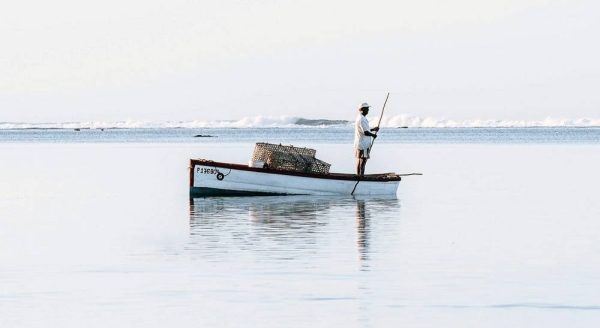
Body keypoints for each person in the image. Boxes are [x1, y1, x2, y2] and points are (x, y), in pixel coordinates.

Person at [354, 102, 379, 176]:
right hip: (363, 144)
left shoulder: (361, 118)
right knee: (362, 160)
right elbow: (365, 132)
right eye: (367, 109)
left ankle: (359, 175)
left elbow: (365, 130)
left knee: (360, 159)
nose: (368, 110)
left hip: (361, 143)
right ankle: (360, 176)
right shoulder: (361, 119)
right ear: (362, 109)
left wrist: (373, 129)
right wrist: (373, 135)